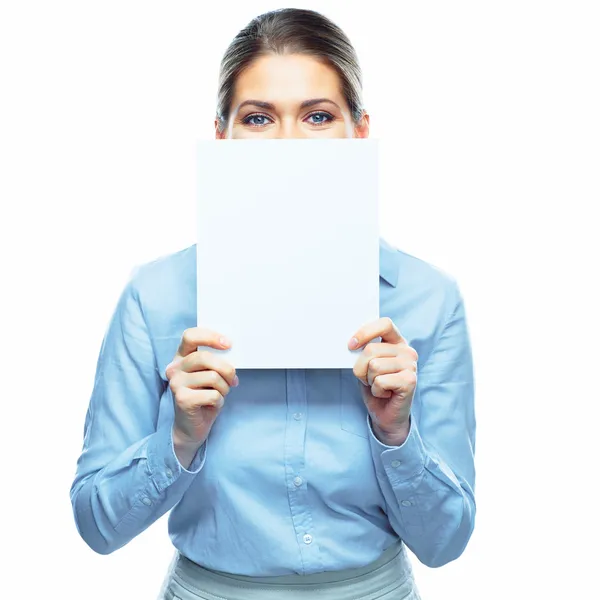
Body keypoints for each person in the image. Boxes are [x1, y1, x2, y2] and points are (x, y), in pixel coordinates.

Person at [70, 8, 476, 600]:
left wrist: (397, 433)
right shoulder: (154, 297)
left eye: (317, 116)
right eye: (258, 118)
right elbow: (95, 526)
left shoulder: (429, 299)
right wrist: (178, 439)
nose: (288, 143)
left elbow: (447, 544)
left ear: (358, 133)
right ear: (223, 137)